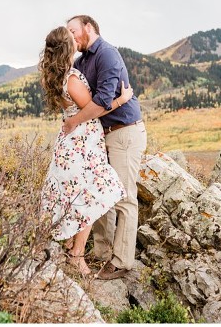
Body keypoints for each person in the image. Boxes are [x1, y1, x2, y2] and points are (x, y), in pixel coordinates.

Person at [39, 26, 132, 277]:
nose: (77, 41)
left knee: (79, 194)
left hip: (74, 142)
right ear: (67, 48)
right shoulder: (71, 78)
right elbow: (93, 109)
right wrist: (122, 100)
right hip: (82, 143)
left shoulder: (56, 75)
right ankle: (77, 256)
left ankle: (71, 243)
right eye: (72, 40)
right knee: (92, 196)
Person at [63, 15, 147, 281]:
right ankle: (101, 254)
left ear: (88, 27)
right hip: (102, 136)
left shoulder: (107, 54)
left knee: (123, 197)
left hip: (124, 133)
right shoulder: (81, 60)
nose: (71, 37)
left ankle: (122, 261)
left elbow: (102, 98)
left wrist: (74, 121)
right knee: (100, 194)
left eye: (74, 31)